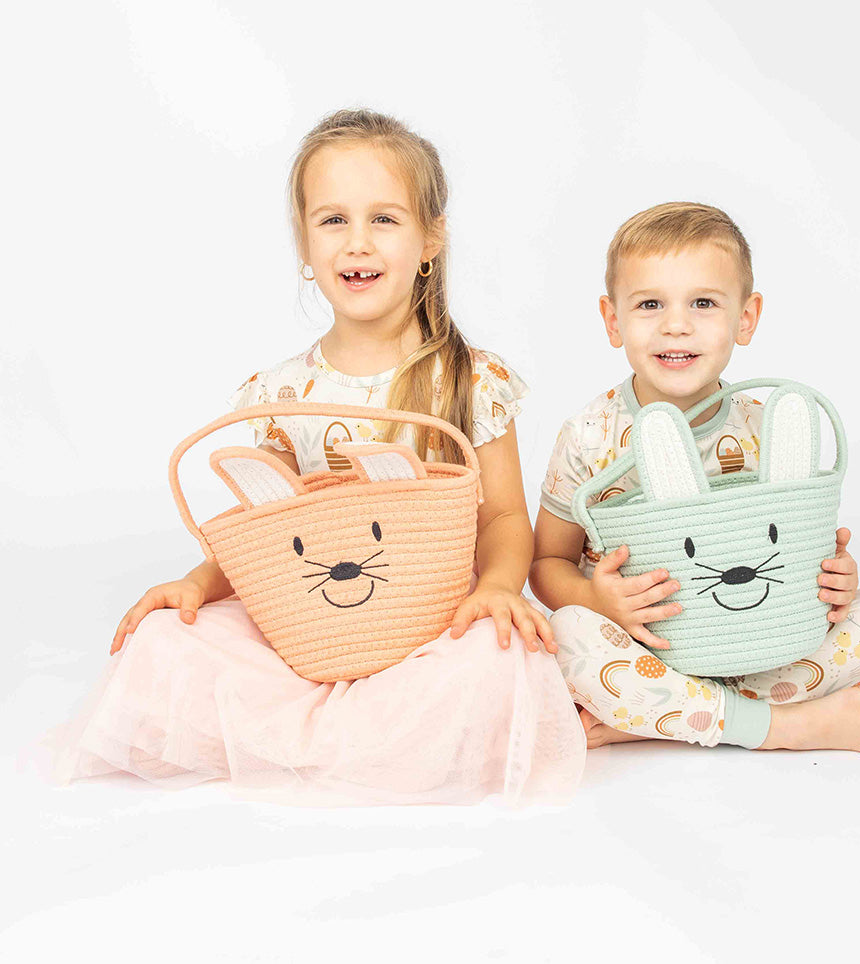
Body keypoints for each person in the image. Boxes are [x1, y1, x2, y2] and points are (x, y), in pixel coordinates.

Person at [48, 109, 585, 805]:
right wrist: (197, 582)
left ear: (431, 239)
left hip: (426, 628)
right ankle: (351, 733)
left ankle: (363, 732)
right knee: (165, 641)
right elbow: (267, 541)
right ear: (304, 242)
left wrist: (497, 591)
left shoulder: (468, 379)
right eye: (333, 220)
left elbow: (507, 518)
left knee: (498, 654)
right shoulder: (279, 393)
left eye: (384, 220)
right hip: (310, 627)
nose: (357, 243)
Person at [529, 202, 860, 753]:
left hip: (762, 640)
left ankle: (663, 715)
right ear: (613, 320)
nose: (675, 324)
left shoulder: (767, 428)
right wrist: (595, 597)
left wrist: (834, 579)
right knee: (566, 639)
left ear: (746, 318)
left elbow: (798, 551)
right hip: (650, 647)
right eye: (650, 304)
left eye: (703, 303)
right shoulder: (590, 435)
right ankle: (780, 726)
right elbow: (547, 564)